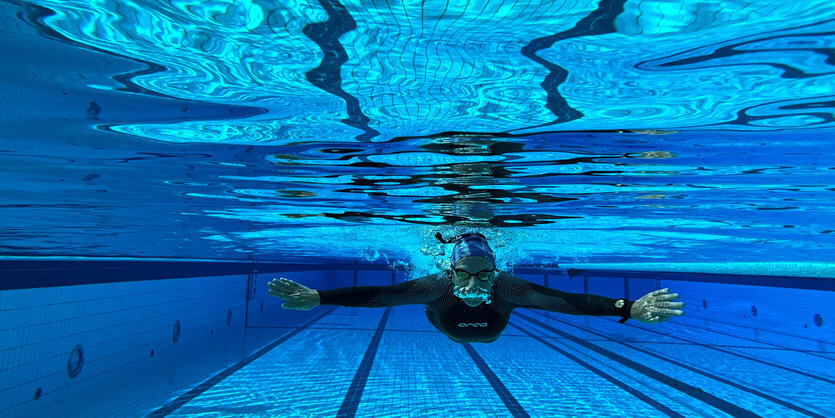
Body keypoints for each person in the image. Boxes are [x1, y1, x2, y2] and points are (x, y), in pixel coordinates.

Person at [268, 232, 685, 343]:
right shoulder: (436, 285)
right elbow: (384, 296)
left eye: (483, 274)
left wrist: (627, 307)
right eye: (463, 274)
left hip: (494, 325)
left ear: (496, 269)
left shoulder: (509, 288)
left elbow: (566, 302)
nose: (472, 283)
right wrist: (320, 297)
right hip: (443, 320)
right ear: (449, 271)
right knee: (426, 305)